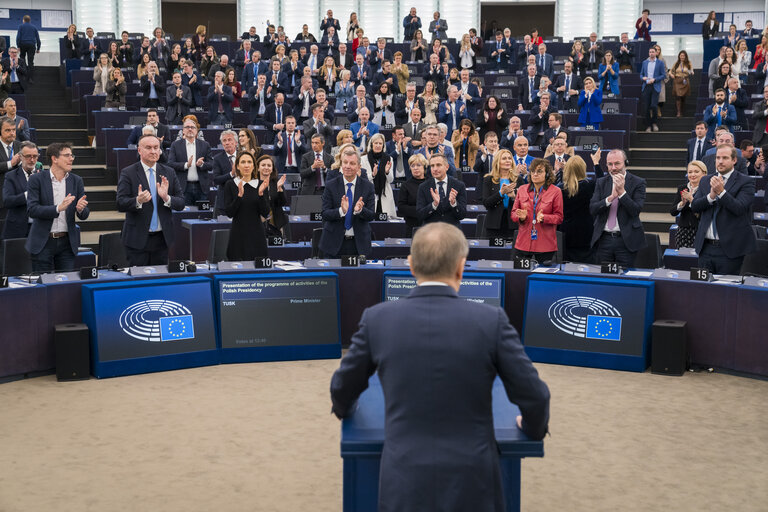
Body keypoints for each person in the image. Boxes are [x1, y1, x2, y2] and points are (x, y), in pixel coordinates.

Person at [331, 218, 550, 510]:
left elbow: (342, 386)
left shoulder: (377, 319)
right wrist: (532, 428)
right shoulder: (491, 320)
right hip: (474, 481)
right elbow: (535, 395)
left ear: (410, 265)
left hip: (403, 479)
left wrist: (347, 409)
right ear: (461, 266)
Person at [117, 135, 184, 266]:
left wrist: (167, 198)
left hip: (162, 239)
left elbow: (181, 203)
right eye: (148, 148)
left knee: (160, 282)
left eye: (156, 148)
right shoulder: (128, 172)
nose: (153, 151)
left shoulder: (169, 172)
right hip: (137, 239)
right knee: (139, 283)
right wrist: (137, 201)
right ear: (139, 151)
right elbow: (120, 203)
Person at [692, 145, 757, 275]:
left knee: (726, 293)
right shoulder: (705, 180)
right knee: (703, 291)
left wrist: (721, 192)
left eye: (725, 158)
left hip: (730, 250)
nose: (720, 161)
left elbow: (739, 208)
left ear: (734, 160)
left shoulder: (746, 181)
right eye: (718, 158)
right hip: (705, 248)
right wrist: (711, 197)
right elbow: (695, 206)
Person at [25, 142, 89, 272]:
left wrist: (81, 209)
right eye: (67, 155)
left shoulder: (76, 180)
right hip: (43, 242)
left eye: (72, 155)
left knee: (65, 284)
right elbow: (32, 210)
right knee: (43, 285)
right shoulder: (36, 179)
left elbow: (84, 214)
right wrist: (58, 208)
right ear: (54, 159)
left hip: (67, 243)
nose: (71, 159)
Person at [589, 149, 647, 268]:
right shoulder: (601, 182)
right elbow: (593, 209)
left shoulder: (638, 182)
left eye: (617, 163)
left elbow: (635, 210)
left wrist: (622, 193)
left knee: (626, 279)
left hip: (626, 240)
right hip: (603, 239)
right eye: (610, 164)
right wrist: (609, 199)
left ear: (625, 162)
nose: (613, 168)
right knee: (604, 279)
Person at [319, 145, 375, 257]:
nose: (347, 166)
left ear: (359, 166)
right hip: (333, 244)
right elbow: (325, 213)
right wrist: (341, 211)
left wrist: (360, 210)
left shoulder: (368, 186)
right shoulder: (331, 185)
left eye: (352, 163)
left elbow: (371, 215)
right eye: (345, 163)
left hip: (359, 245)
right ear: (341, 164)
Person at [220, 152, 272, 261]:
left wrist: (261, 194)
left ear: (254, 166)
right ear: (237, 166)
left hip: (257, 235)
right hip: (238, 235)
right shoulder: (230, 184)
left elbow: (265, 212)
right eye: (243, 162)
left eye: (249, 162)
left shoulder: (261, 184)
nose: (246, 165)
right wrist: (239, 196)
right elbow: (229, 213)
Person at [511, 158, 563, 262]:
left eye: (539, 171)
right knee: (519, 276)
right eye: (533, 171)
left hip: (545, 245)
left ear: (547, 174)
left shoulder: (556, 191)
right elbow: (513, 214)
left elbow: (559, 217)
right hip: (523, 243)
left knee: (543, 277)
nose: (535, 174)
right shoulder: (522, 189)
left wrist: (545, 218)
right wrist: (520, 217)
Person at [168, 115, 212, 205]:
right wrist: (185, 165)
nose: (190, 129)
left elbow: (211, 164)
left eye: (192, 127)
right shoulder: (175, 145)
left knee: (202, 216)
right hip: (183, 187)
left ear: (197, 131)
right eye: (187, 127)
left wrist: (202, 164)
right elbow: (170, 164)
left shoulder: (205, 145)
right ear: (183, 130)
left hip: (201, 187)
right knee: (184, 215)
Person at [482, 148, 523, 240]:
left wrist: (513, 196)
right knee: (494, 253)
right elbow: (486, 203)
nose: (508, 161)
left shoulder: (518, 180)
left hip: (513, 224)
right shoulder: (488, 179)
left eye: (509, 158)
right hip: (493, 224)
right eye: (504, 158)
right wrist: (501, 193)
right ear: (497, 161)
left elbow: (524, 204)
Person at [416, 153, 466, 227]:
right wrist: (434, 205)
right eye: (432, 166)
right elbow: (420, 215)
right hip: (431, 232)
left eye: (438, 165)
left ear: (447, 167)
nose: (435, 169)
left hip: (452, 232)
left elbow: (462, 215)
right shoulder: (423, 187)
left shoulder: (459, 185)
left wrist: (454, 203)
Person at [2, 140, 38, 241]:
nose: (32, 160)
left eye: (34, 156)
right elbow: (7, 201)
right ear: (21, 157)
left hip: (39, 228)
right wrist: (28, 195)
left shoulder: (43, 176)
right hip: (17, 230)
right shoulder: (11, 176)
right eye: (28, 156)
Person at [670, 160, 706, 249]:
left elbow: (704, 211)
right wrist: (682, 204)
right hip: (683, 232)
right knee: (684, 260)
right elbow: (673, 212)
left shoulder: (707, 190)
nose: (693, 175)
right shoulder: (682, 188)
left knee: (697, 261)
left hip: (700, 231)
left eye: (696, 172)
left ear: (704, 173)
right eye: (690, 172)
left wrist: (691, 200)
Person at [362, 133, 396, 217]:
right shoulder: (363, 159)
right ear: (371, 144)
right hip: (370, 194)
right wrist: (372, 175)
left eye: (380, 143)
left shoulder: (389, 158)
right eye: (376, 143)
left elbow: (391, 180)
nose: (378, 145)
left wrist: (387, 172)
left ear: (383, 145)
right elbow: (362, 179)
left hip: (385, 194)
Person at [396, 153, 428, 236]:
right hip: (412, 227)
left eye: (418, 165)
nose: (415, 168)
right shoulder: (405, 185)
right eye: (412, 166)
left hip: (430, 226)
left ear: (424, 167)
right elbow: (401, 207)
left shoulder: (431, 183)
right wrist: (420, 211)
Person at [210, 130, 238, 216]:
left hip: (242, 199)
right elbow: (216, 179)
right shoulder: (217, 159)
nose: (227, 143)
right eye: (224, 141)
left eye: (230, 140)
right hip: (225, 201)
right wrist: (231, 174)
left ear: (236, 142)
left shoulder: (244, 156)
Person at [641, 47, 666, 132]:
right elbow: (641, 74)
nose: (651, 53)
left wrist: (654, 79)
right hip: (646, 86)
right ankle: (648, 125)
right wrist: (643, 78)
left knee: (654, 106)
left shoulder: (660, 63)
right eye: (650, 52)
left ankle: (654, 123)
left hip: (655, 86)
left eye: (653, 52)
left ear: (656, 53)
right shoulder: (645, 62)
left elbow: (663, 75)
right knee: (646, 107)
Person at [669, 51, 693, 117]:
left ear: (685, 56)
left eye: (683, 55)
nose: (682, 57)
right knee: (678, 96)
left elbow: (691, 70)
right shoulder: (676, 63)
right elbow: (670, 71)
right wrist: (671, 74)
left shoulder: (688, 63)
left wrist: (691, 72)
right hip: (677, 80)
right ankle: (678, 112)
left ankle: (682, 110)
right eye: (681, 55)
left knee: (683, 97)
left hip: (685, 80)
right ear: (679, 56)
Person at [16, 15, 40, 83]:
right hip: (31, 45)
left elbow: (18, 37)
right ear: (30, 20)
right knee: (30, 62)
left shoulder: (20, 26)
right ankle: (30, 79)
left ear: (23, 20)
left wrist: (18, 46)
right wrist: (38, 48)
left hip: (23, 44)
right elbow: (38, 39)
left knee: (22, 61)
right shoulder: (34, 27)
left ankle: (23, 77)